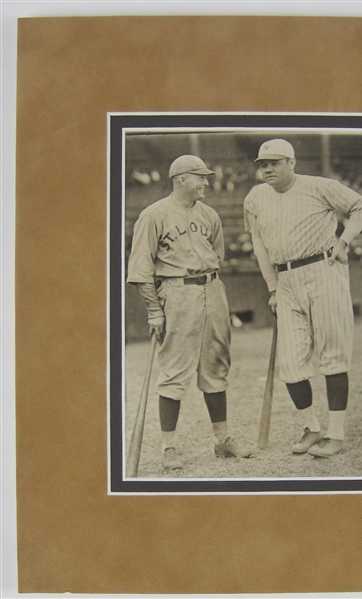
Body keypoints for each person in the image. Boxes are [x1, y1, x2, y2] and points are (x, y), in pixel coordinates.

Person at [243, 139, 362, 457]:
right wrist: (272, 288)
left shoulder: (319, 186)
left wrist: (344, 242)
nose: (267, 168)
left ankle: (336, 434)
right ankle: (312, 428)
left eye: (274, 162)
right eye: (262, 164)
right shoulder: (255, 197)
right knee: (292, 364)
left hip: (323, 270)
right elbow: (259, 247)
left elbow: (361, 206)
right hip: (285, 280)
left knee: (333, 356)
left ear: (292, 162)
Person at [127, 154, 252, 470]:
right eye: (201, 177)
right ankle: (169, 449)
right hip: (177, 291)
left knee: (216, 364)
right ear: (182, 178)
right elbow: (141, 270)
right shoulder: (153, 215)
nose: (207, 183)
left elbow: (218, 255)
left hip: (212, 288)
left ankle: (222, 441)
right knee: (174, 371)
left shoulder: (209, 214)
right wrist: (154, 311)